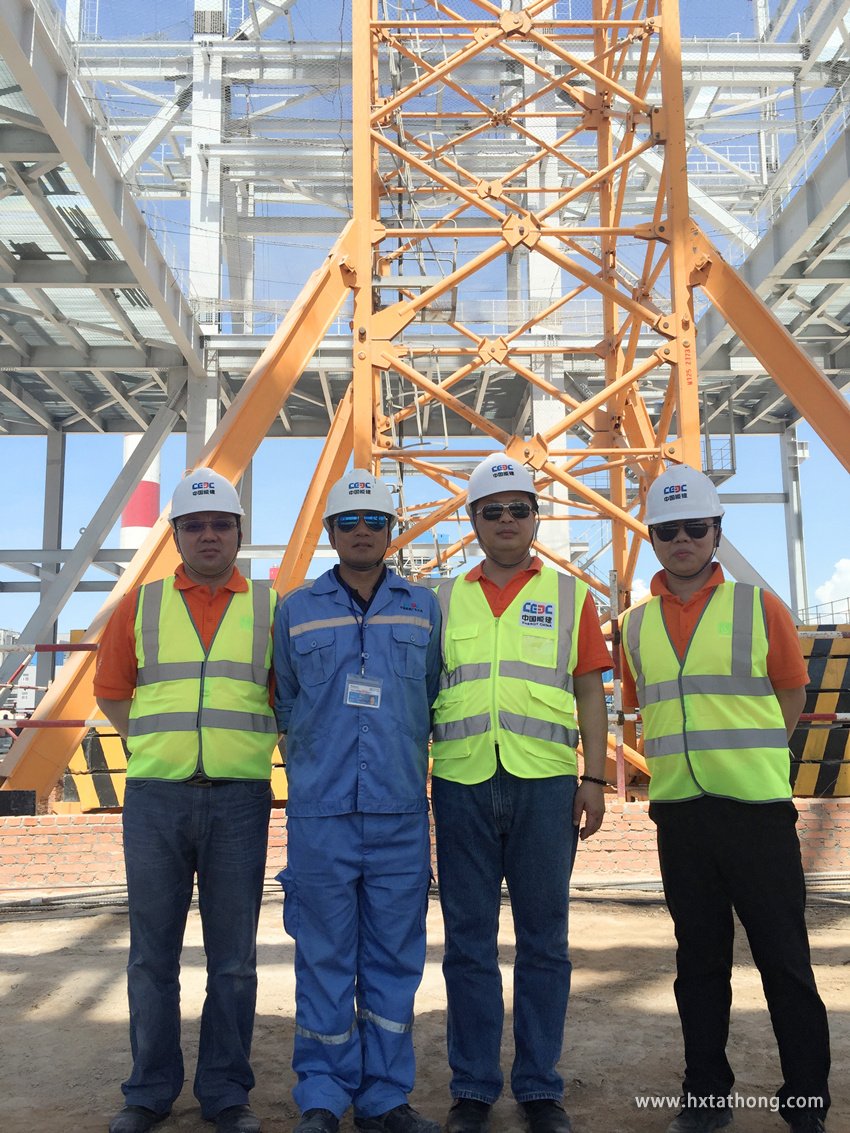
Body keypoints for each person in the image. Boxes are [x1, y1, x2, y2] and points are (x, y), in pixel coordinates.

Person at [620, 464, 831, 1133]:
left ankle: (806, 1099)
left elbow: (791, 692)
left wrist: (754, 756)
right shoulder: (633, 626)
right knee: (699, 964)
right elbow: (644, 707)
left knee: (785, 961)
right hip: (680, 815)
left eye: (695, 527)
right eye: (667, 530)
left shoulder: (759, 607)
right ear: (652, 538)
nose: (681, 539)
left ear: (716, 531)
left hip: (756, 812)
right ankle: (705, 1096)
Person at [430, 452, 611, 1133]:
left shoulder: (570, 596)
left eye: (518, 509)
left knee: (544, 943)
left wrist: (594, 777)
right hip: (461, 782)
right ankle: (473, 1086)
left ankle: (539, 1086)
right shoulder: (441, 599)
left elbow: (590, 690)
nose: (506, 520)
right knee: (468, 944)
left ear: (536, 517)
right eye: (492, 511)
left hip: (546, 787)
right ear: (473, 521)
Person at [95, 467, 277, 1133]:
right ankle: (148, 1091)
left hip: (240, 799)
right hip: (157, 798)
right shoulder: (140, 607)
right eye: (194, 525)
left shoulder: (271, 608)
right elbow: (111, 691)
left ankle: (226, 1092)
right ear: (175, 535)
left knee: (234, 961)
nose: (208, 535)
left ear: (238, 533)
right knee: (151, 958)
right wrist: (155, 743)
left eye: (220, 524)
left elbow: (287, 697)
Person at [273, 470, 442, 1133]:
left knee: (394, 962)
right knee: (323, 958)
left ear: (391, 530)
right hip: (321, 818)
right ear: (330, 532)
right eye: (349, 521)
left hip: (399, 814)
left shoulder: (423, 607)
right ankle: (321, 1094)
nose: (363, 530)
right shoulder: (296, 610)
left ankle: (384, 1097)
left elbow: (431, 696)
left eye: (375, 520)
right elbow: (287, 703)